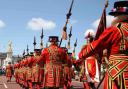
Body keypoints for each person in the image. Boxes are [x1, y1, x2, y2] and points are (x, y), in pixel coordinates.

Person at [77, 1, 128, 89]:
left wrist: (81, 55)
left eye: (115, 15)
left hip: (117, 68)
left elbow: (98, 45)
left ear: (118, 15)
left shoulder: (114, 29)